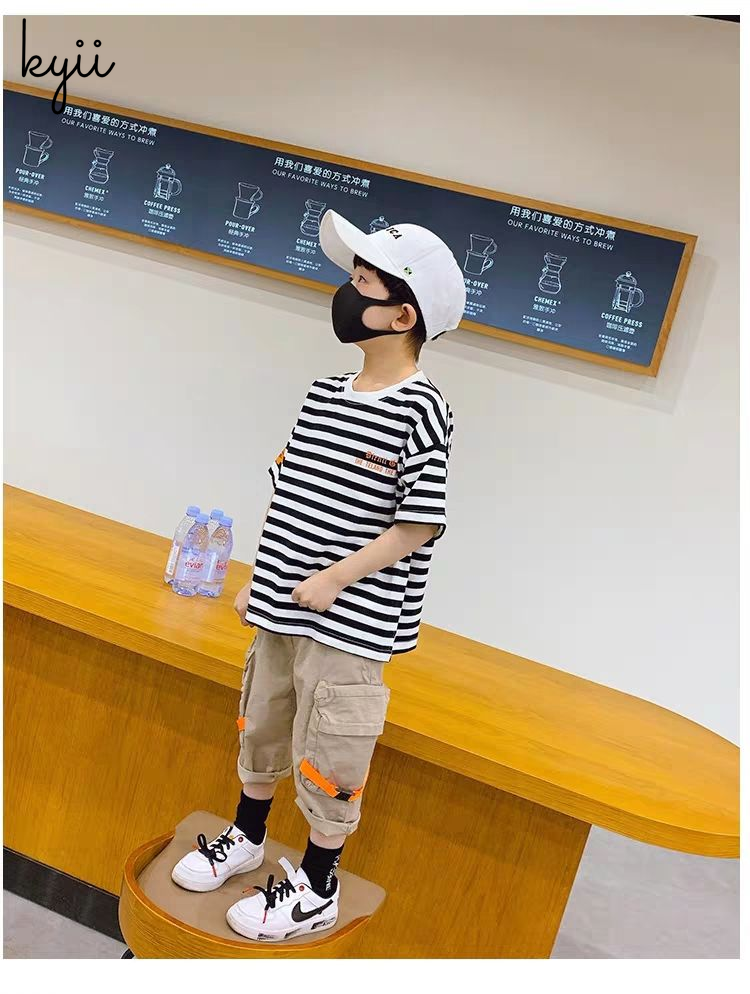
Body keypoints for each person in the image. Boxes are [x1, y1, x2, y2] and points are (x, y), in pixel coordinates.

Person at [171, 210, 466, 942]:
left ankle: (318, 884)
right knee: (264, 718)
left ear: (402, 315)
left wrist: (336, 579)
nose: (346, 293)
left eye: (362, 282)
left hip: (351, 624)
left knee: (332, 746)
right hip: (283, 607)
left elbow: (419, 523)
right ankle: (247, 837)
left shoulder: (423, 409)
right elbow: (292, 497)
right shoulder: (323, 392)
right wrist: (262, 580)